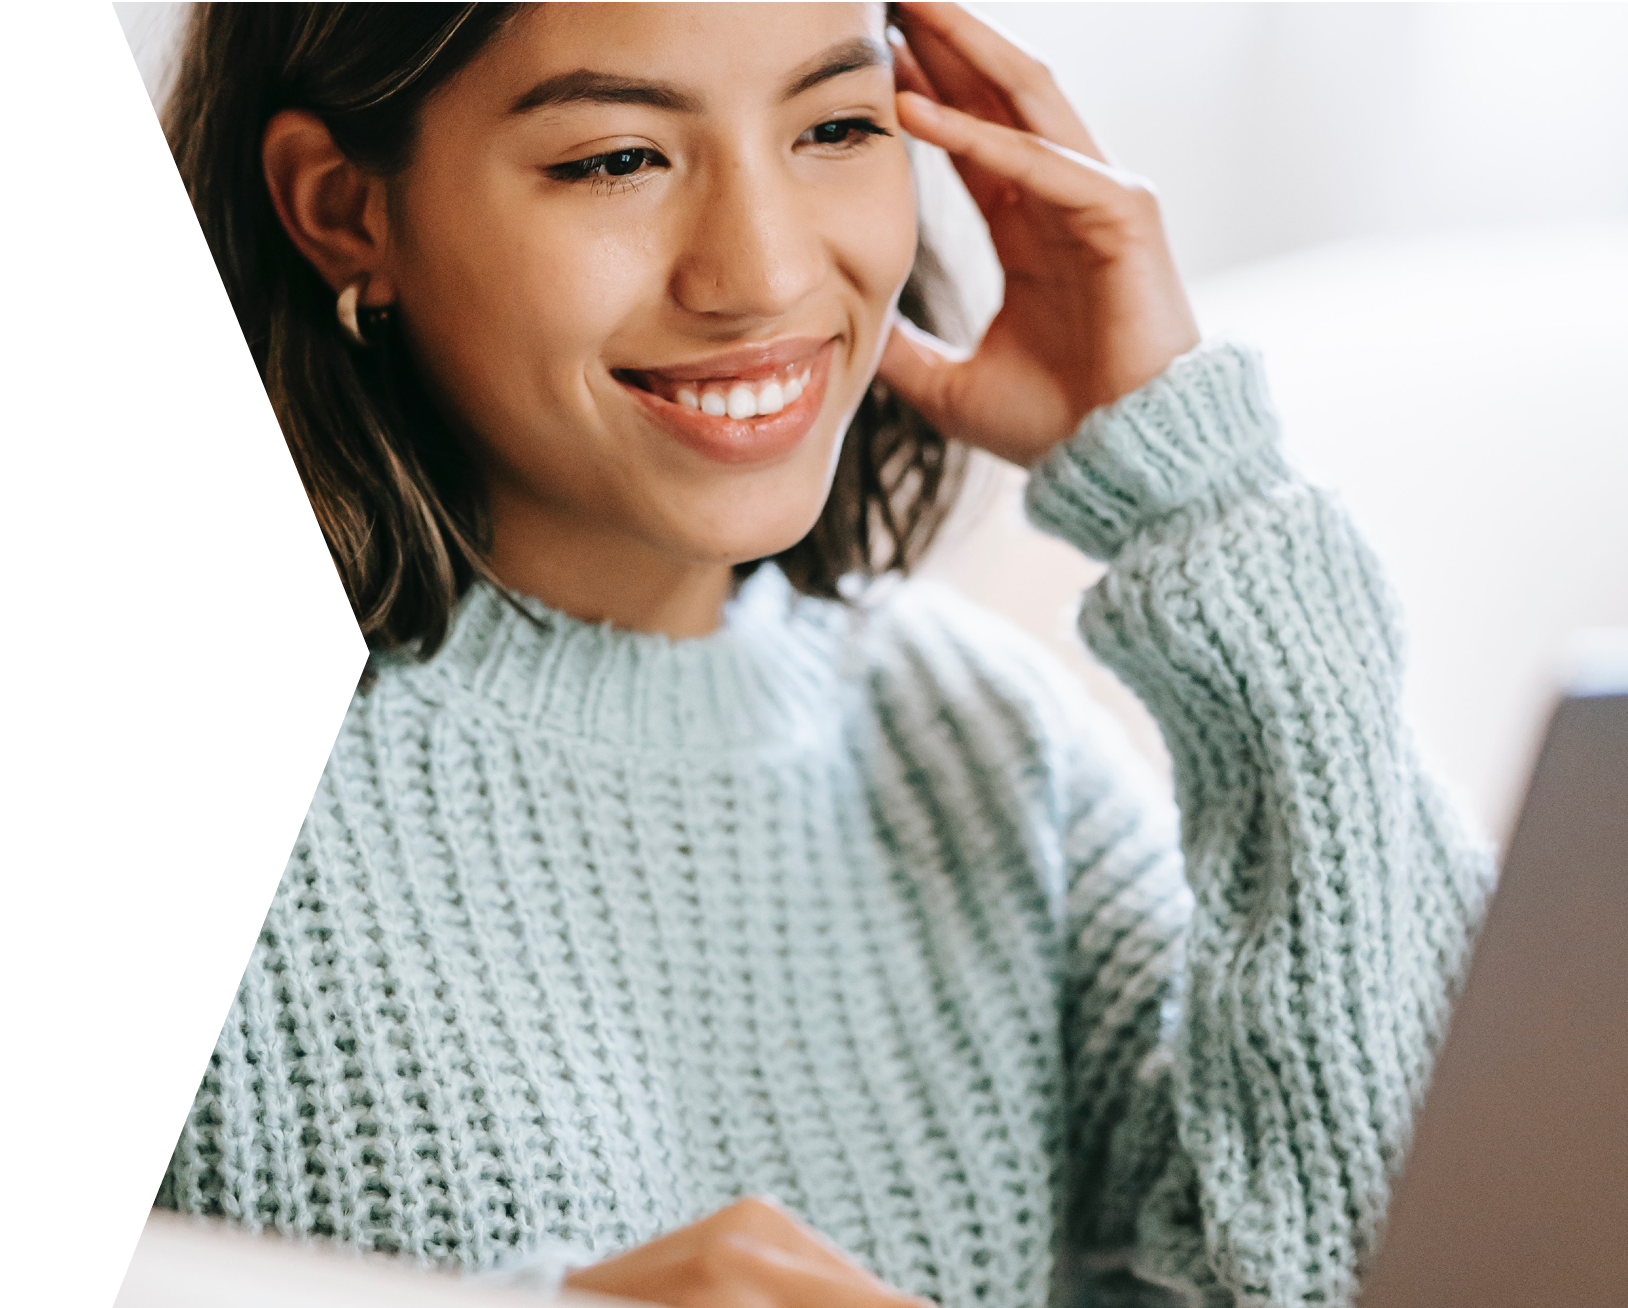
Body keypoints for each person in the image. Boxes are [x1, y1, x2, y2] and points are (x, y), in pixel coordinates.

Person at [155, 4, 1494, 1307]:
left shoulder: (992, 750)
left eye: (838, 127)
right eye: (619, 157)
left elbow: (1417, 1259)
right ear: (342, 207)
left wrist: (1203, 495)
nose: (766, 273)